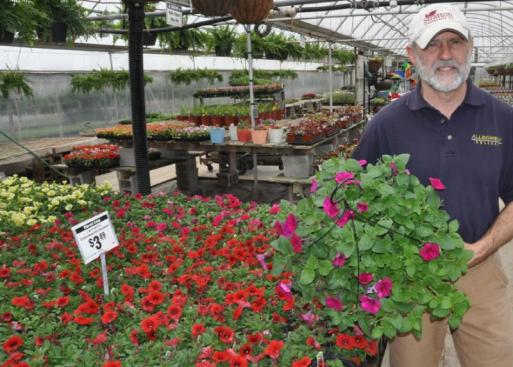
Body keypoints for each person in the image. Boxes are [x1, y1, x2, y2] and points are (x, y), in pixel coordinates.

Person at [352, 4, 513, 367]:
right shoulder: (386, 125)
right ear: (411, 53)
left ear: (471, 47)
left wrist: (484, 247)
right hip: (409, 276)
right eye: (431, 44)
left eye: (454, 42)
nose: (444, 54)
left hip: (480, 268)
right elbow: (353, 197)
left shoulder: (503, 120)